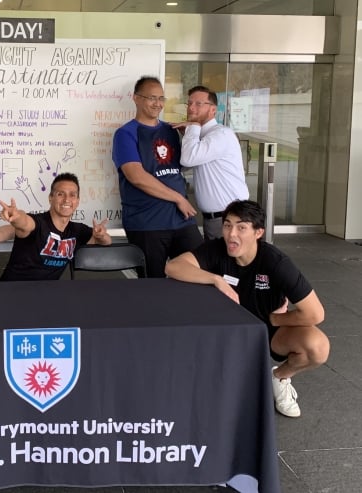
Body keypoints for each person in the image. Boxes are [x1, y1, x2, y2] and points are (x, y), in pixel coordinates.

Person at [164, 200, 329, 418]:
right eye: (227, 225)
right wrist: (216, 280)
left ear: (258, 232)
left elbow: (315, 313)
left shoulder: (275, 262)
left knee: (317, 348)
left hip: (270, 331)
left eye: (242, 227)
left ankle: (279, 377)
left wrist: (275, 320)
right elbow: (173, 266)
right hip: (229, 331)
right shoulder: (215, 249)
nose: (232, 234)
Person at [112, 76, 203, 278]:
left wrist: (191, 132)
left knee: (200, 274)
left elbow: (182, 166)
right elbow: (136, 176)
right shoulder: (125, 134)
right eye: (152, 98)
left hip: (182, 220)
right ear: (136, 98)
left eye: (161, 98)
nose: (158, 104)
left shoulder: (171, 131)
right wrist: (179, 198)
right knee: (152, 285)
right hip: (147, 223)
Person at [0, 172, 111, 281]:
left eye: (72, 195)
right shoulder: (38, 223)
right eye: (60, 194)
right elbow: (25, 222)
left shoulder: (78, 230)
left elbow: (107, 241)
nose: (67, 199)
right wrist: (16, 216)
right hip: (13, 291)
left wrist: (101, 236)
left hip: (48, 293)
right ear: (50, 198)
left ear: (77, 201)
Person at [172, 85, 249, 240]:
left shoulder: (221, 134)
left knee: (232, 263)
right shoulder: (200, 135)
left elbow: (188, 158)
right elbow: (183, 165)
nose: (191, 108)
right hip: (215, 220)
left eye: (199, 104)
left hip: (230, 219)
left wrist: (193, 127)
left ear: (213, 110)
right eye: (189, 104)